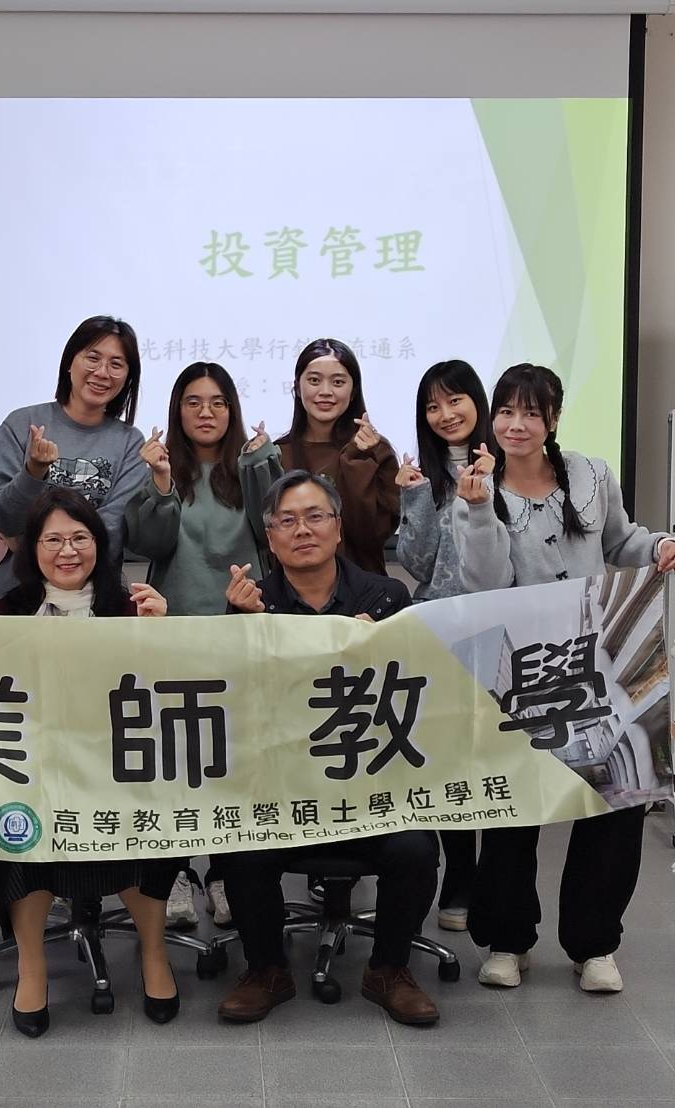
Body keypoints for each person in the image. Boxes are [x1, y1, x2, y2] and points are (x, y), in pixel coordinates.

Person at [452, 363, 675, 993]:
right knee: (512, 805)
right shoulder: (476, 487)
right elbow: (483, 582)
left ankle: (594, 944)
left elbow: (622, 541)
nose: (516, 425)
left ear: (553, 419)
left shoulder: (590, 475)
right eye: (506, 412)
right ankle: (508, 940)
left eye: (531, 413)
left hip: (598, 660)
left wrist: (660, 547)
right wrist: (478, 510)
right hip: (517, 668)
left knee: (614, 796)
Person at [0, 316, 150, 936]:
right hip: (14, 605)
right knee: (1, 745)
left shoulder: (129, 442)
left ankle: (65, 873)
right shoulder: (23, 423)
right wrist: (34, 474)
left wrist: (41, 534)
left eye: (117, 363)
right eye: (93, 357)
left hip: (92, 612)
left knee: (78, 747)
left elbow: (113, 528)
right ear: (69, 361)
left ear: (128, 377)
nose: (102, 372)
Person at [216, 470, 441, 1026]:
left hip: (370, 781)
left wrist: (375, 648)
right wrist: (247, 627)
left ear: (338, 528)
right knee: (240, 842)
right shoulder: (253, 601)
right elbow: (235, 706)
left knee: (416, 845)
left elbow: (418, 696)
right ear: (270, 539)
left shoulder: (386, 597)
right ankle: (266, 969)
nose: (303, 530)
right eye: (287, 521)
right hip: (281, 784)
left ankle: (388, 968)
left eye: (315, 516)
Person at [0, 487, 181, 1038]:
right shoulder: (2, 611)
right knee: (18, 821)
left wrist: (164, 633)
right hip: (33, 770)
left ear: (99, 544)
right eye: (53, 539)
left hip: (119, 769)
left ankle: (154, 953)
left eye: (80, 538)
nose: (67, 551)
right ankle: (31, 965)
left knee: (149, 820)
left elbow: (172, 690)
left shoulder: (131, 606)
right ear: (31, 548)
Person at [124, 361, 281, 930]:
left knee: (235, 757)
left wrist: (262, 463)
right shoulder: (160, 466)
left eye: (217, 402)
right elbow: (149, 541)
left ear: (232, 409)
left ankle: (224, 872)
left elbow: (272, 530)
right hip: (175, 631)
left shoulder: (253, 462)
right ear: (178, 410)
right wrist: (162, 482)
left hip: (241, 627)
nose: (206, 412)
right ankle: (176, 872)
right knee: (176, 757)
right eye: (193, 402)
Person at [394, 359, 493, 934]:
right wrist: (413, 499)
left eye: (454, 400)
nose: (445, 414)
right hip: (440, 631)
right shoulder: (425, 475)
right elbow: (417, 563)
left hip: (501, 630)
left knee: (492, 756)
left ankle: (488, 880)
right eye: (432, 406)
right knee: (444, 758)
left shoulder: (506, 466)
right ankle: (458, 873)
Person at [274, 339, 398, 575]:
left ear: (353, 392)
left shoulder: (375, 450)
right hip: (293, 591)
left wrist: (357, 460)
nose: (325, 392)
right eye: (314, 380)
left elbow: (373, 533)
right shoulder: (278, 454)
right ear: (297, 389)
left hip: (365, 587)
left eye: (338, 382)